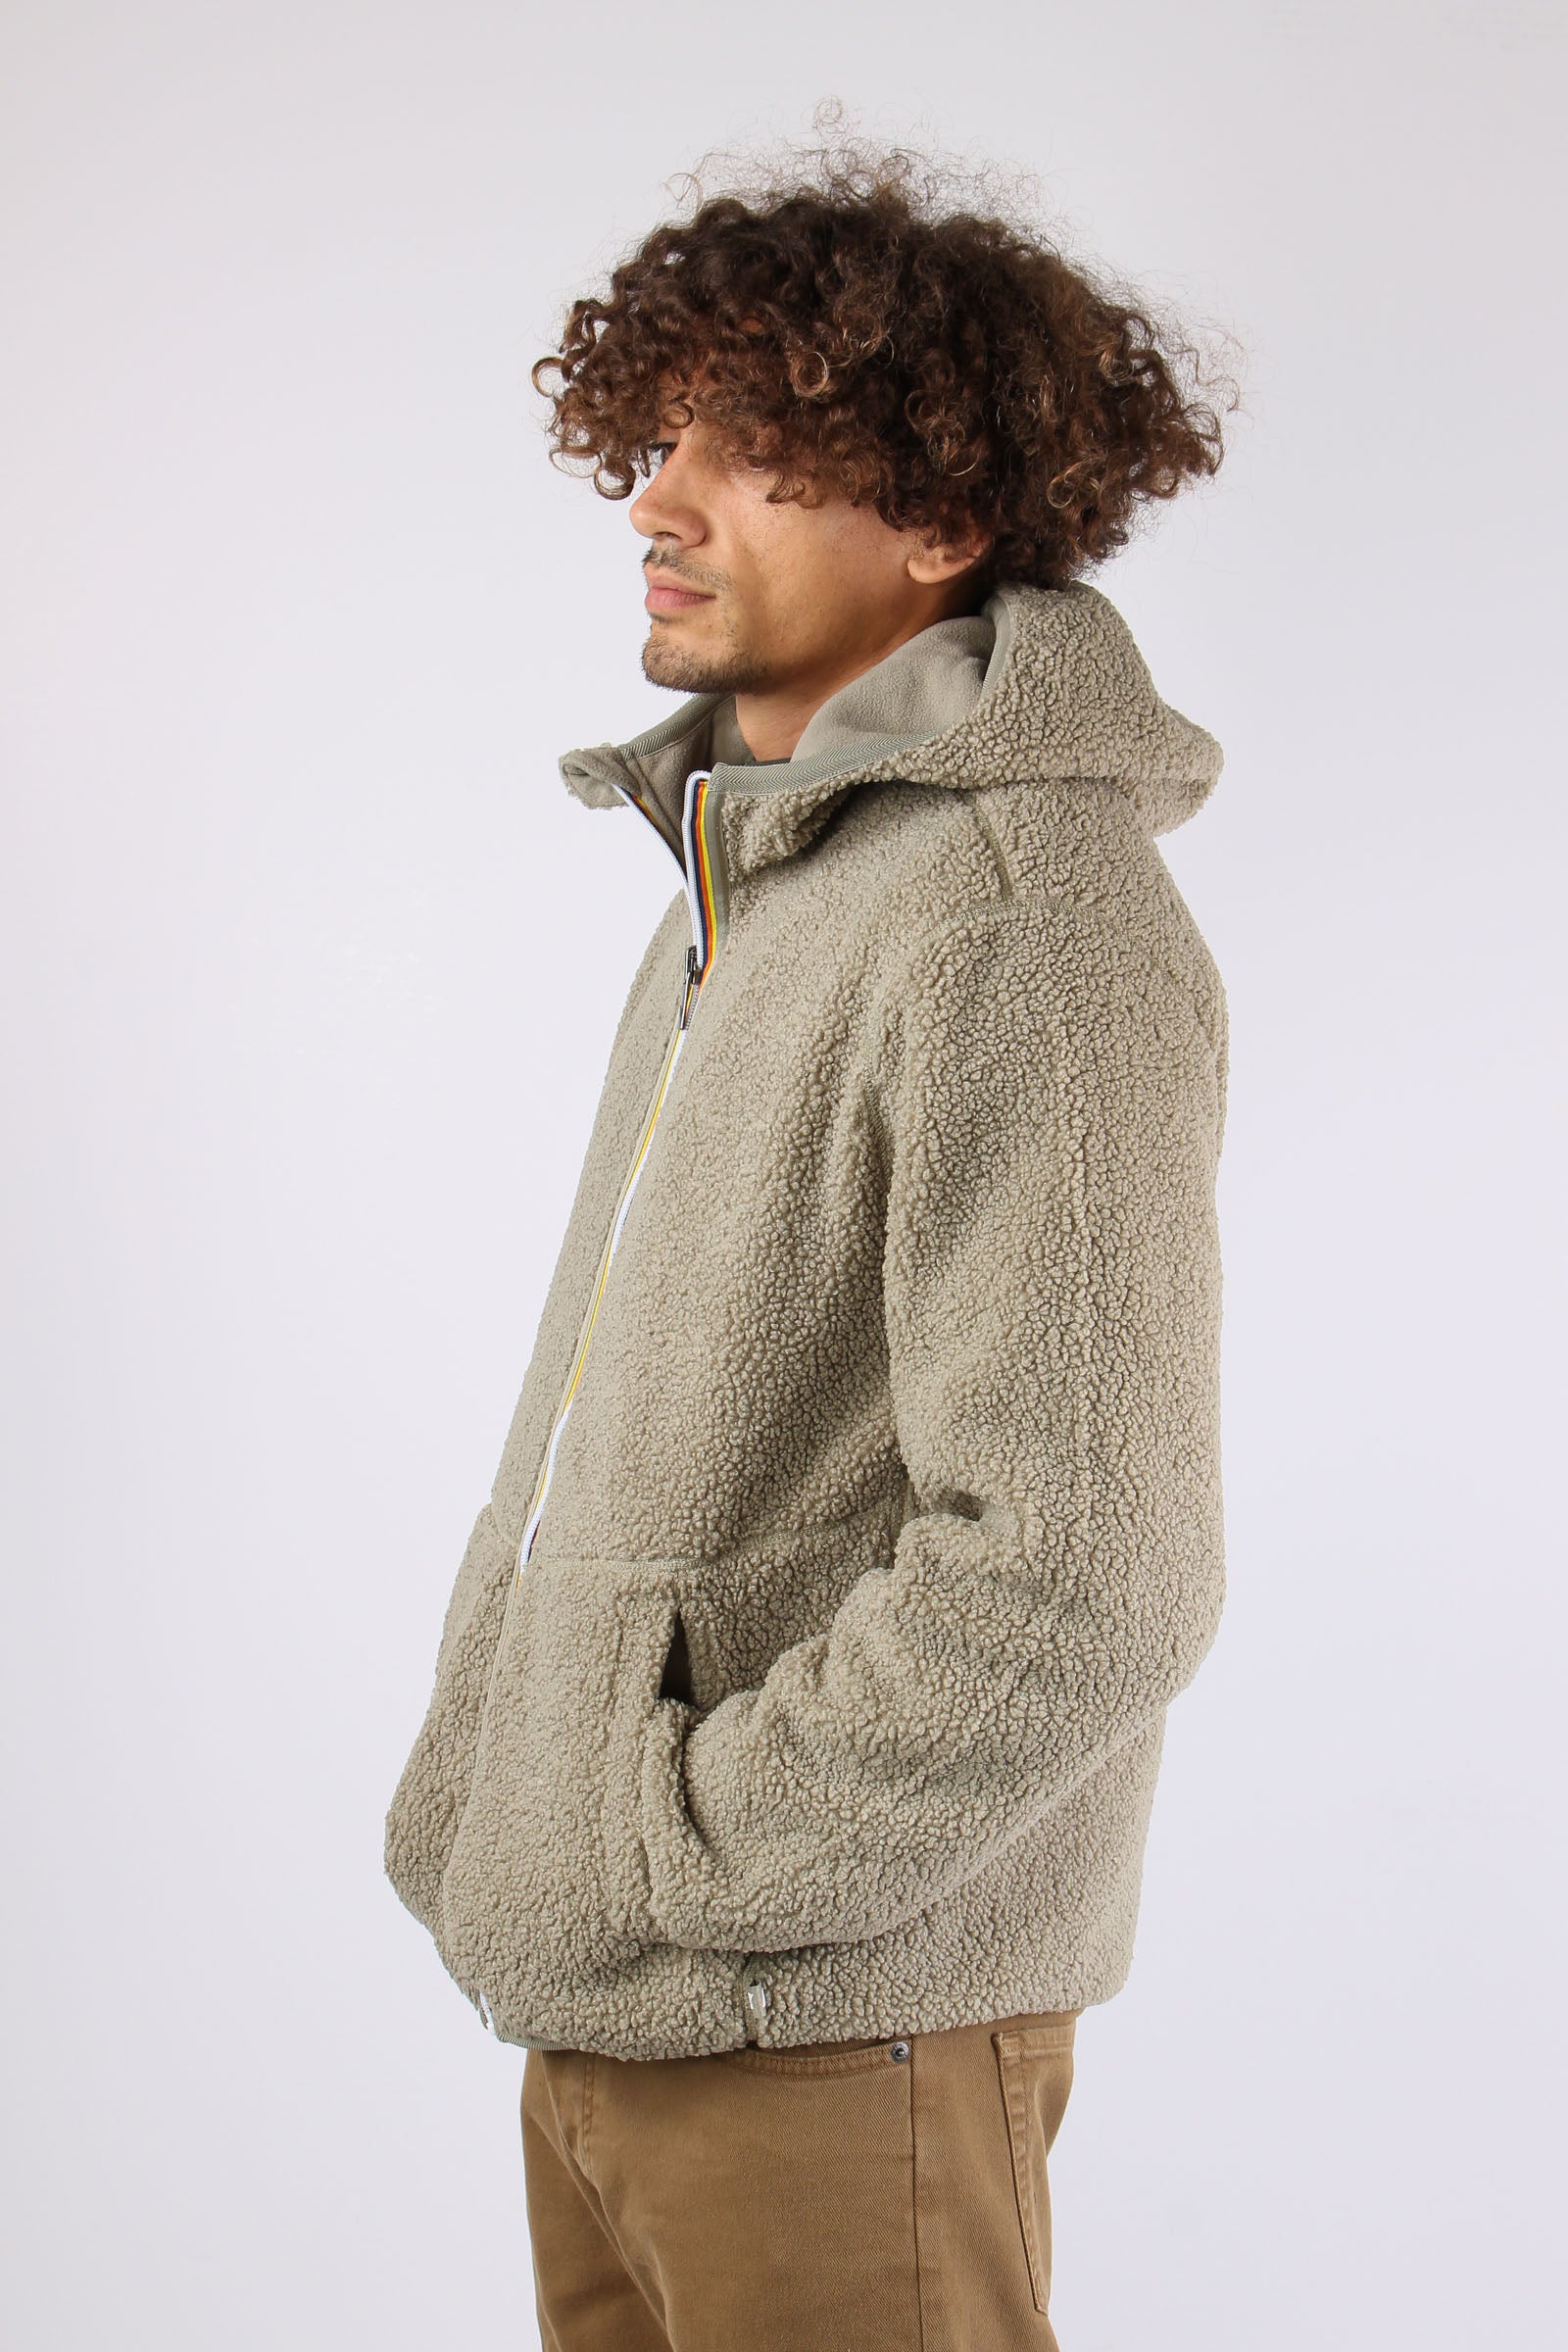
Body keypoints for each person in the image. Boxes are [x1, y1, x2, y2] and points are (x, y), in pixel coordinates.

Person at [385, 141, 1237, 2351]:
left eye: (748, 448)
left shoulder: (1018, 918)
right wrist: (536, 1820)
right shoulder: (755, 881)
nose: (658, 499)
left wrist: (696, 1856)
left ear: (941, 517)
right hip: (621, 2007)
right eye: (655, 434)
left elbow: (1086, 1569)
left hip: (825, 2030)